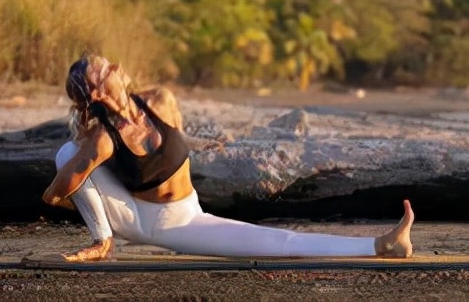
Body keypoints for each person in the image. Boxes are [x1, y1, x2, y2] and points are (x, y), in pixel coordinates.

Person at [42, 54, 414, 262]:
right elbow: (53, 195)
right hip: (153, 223)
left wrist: (207, 145)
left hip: (189, 208)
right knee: (66, 153)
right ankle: (103, 242)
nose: (116, 68)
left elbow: (177, 142)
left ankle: (385, 244)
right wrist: (92, 209)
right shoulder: (102, 140)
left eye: (109, 65)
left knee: (275, 240)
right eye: (105, 71)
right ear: (95, 94)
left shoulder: (159, 101)